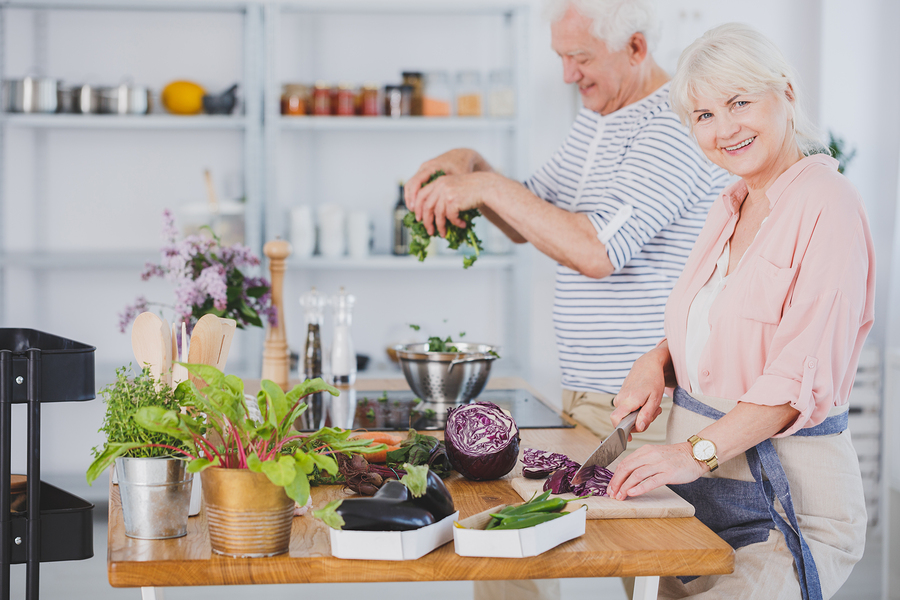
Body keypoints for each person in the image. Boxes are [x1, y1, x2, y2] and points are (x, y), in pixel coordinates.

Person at [607, 23, 873, 600]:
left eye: (738, 102)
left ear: (787, 95)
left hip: (785, 507)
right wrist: (659, 360)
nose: (724, 128)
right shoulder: (728, 206)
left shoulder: (830, 204)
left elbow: (791, 381)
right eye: (703, 115)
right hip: (701, 496)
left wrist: (689, 454)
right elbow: (723, 329)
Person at [405, 0, 729, 455]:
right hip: (591, 394)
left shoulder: (672, 126)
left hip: (647, 408)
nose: (567, 75)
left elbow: (596, 251)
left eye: (581, 58)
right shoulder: (600, 118)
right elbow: (530, 217)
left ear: (636, 48)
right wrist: (470, 162)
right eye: (561, 57)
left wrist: (485, 185)